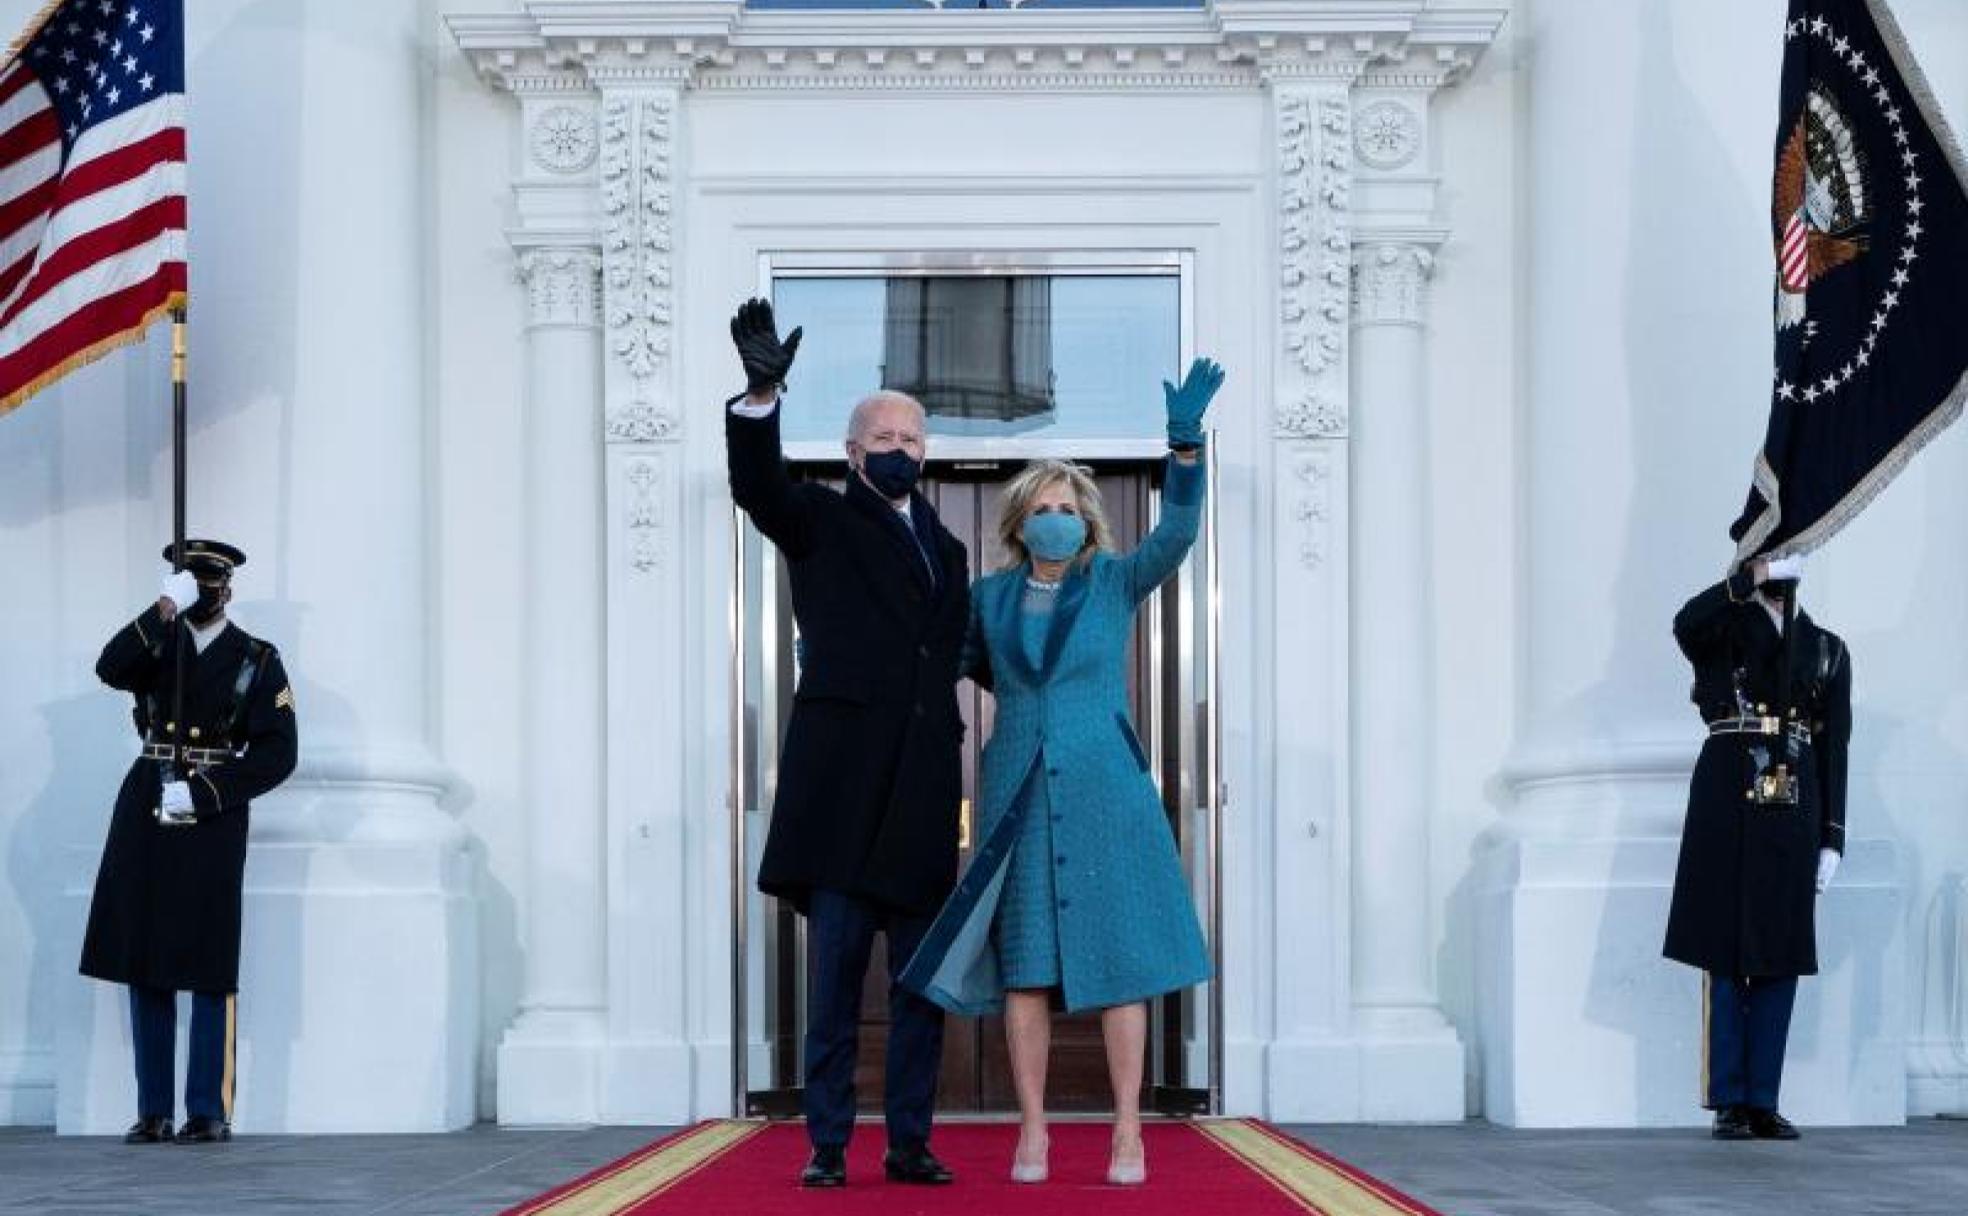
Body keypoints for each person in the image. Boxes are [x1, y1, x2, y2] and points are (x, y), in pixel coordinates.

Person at [901, 357, 1224, 1187]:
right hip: (1014, 790)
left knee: (1119, 964)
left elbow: (1177, 536)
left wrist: (1183, 452)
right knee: (1027, 969)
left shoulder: (1113, 581)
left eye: (1066, 509)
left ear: (1087, 522)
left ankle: (1126, 1130)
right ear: (1019, 524)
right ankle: (1034, 1132)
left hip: (1104, 792)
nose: (1054, 519)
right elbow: (960, 664)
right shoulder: (990, 598)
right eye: (1040, 509)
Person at [724, 299, 971, 1188]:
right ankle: (827, 1146)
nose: (900, 445)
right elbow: (759, 488)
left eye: (912, 434)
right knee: (832, 991)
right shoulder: (821, 519)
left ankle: (909, 1141)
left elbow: (955, 651)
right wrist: (761, 396)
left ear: (925, 453)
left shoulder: (947, 546)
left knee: (918, 992)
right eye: (883, 434)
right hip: (840, 801)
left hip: (919, 803)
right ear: (855, 452)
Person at [80, 539, 299, 1144]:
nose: (201, 594)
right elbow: (109, 667)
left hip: (211, 808)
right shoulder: (159, 643)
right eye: (189, 584)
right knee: (143, 954)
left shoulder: (257, 658)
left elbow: (280, 752)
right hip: (149, 797)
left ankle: (207, 1108)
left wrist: (207, 792)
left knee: (207, 957)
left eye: (208, 584)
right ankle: (154, 1109)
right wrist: (159, 612)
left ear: (228, 588)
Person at [1664, 554, 1849, 1141]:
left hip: (1793, 799)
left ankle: (1762, 1098)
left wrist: (1833, 838)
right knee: (1723, 947)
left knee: (1781, 950)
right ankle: (1728, 1099)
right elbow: (1685, 623)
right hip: (1726, 793)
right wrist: (1749, 581)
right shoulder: (1724, 626)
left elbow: (1834, 747)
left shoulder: (1826, 649)